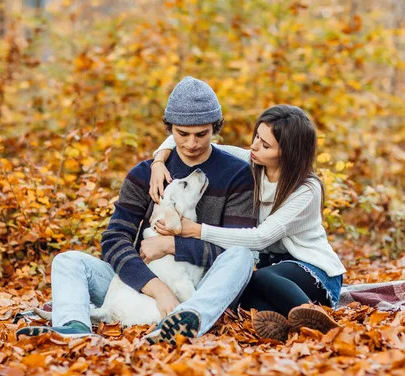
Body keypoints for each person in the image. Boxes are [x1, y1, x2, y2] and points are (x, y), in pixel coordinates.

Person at [16, 76, 257, 344]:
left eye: (201, 134)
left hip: (202, 286)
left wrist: (172, 245)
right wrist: (158, 289)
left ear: (215, 127)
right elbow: (114, 240)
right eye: (182, 134)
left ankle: (187, 320)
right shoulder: (144, 174)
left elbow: (235, 246)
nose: (191, 144)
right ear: (169, 129)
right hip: (138, 285)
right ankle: (73, 327)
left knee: (243, 256)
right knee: (67, 261)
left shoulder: (237, 175)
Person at [150, 105, 346, 342]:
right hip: (273, 267)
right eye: (256, 137)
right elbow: (198, 145)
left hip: (313, 271)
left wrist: (198, 231)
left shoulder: (306, 190)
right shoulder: (254, 164)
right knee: (242, 295)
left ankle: (318, 321)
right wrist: (158, 162)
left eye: (265, 145)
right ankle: (287, 324)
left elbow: (260, 237)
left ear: (287, 152)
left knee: (258, 279)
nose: (253, 147)